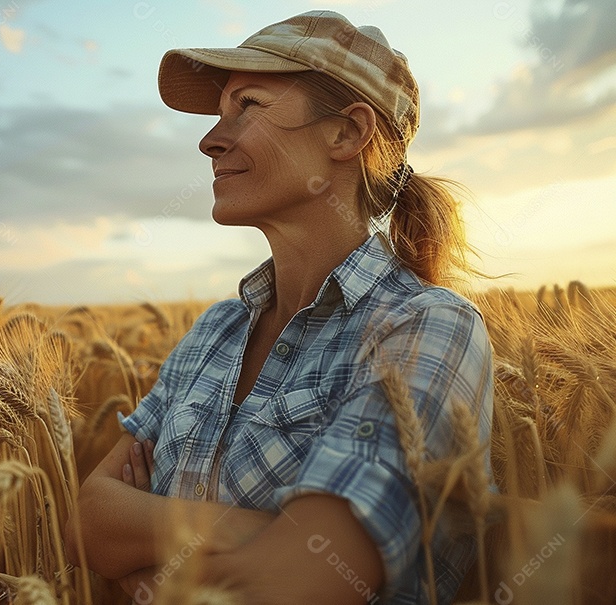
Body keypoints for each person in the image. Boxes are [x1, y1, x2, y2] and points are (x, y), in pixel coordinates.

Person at [64, 10, 495, 605]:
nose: (210, 139)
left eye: (249, 106)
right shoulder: (214, 331)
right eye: (220, 113)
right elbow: (88, 522)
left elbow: (305, 580)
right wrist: (248, 531)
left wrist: (149, 562)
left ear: (347, 134)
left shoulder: (425, 328)